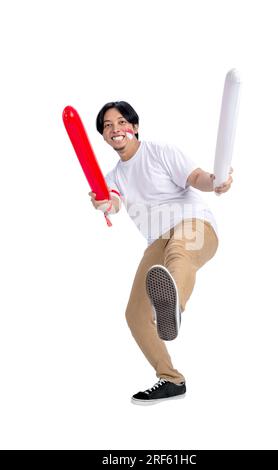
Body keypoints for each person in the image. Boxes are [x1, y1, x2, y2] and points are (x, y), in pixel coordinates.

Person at [90, 101, 233, 405]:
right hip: (157, 239)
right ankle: (171, 379)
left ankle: (173, 307)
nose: (115, 129)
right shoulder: (113, 177)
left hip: (194, 223)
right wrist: (103, 203)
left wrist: (216, 182)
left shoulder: (160, 152)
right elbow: (113, 202)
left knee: (179, 253)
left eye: (121, 122)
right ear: (103, 137)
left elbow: (196, 178)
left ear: (135, 126)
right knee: (135, 314)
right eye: (107, 126)